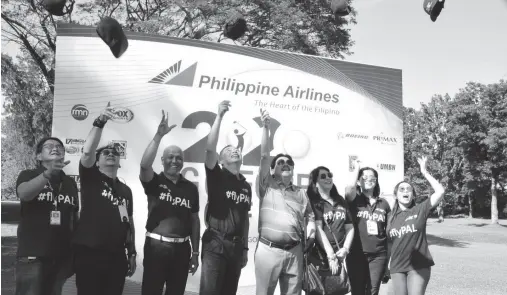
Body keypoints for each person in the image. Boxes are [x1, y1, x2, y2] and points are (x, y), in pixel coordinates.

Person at [72, 103, 136, 295]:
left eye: (115, 153)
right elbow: (87, 151)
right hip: (89, 254)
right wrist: (100, 122)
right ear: (97, 161)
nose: (110, 154)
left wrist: (131, 252)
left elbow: (129, 223)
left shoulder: (126, 190)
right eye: (105, 153)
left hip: (116, 256)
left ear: (119, 162)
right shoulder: (91, 177)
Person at [255, 108, 316, 295]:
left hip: (295, 253)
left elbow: (310, 216)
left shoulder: (301, 193)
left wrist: (312, 233)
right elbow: (265, 156)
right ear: (272, 171)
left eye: (288, 162)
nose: (285, 163)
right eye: (280, 162)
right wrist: (266, 128)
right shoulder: (267, 186)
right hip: (268, 251)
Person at [139, 111, 200, 295]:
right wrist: (159, 136)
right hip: (156, 247)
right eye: (170, 157)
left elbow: (194, 220)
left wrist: (195, 253)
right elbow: (144, 165)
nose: (175, 160)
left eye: (179, 157)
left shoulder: (190, 188)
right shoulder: (154, 181)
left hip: (182, 249)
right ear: (162, 160)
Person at [200, 100, 252, 295]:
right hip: (215, 243)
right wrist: (219, 116)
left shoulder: (246, 186)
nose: (234, 150)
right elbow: (210, 149)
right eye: (228, 151)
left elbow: (245, 219)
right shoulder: (217, 175)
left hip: (237, 247)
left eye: (236, 150)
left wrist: (246, 248)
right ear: (220, 161)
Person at [15, 137, 78, 295]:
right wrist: (47, 174)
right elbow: (24, 194)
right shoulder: (28, 174)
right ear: (38, 156)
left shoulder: (70, 183)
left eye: (59, 146)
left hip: (62, 258)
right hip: (33, 256)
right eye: (48, 146)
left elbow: (73, 217)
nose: (55, 148)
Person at [386, 156, 445, 295]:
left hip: (419, 266)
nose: (405, 191)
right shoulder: (390, 217)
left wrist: (424, 172)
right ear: (395, 195)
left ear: (412, 195)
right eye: (401, 189)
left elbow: (440, 191)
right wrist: (386, 266)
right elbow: (389, 244)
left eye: (409, 189)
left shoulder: (420, 210)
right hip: (397, 266)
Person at [306, 166, 355, 295]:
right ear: (315, 182)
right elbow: (317, 229)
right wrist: (330, 255)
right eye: (323, 176)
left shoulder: (340, 201)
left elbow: (350, 227)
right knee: (317, 292)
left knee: (337, 291)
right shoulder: (314, 202)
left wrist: (345, 249)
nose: (328, 178)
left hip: (338, 256)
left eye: (329, 175)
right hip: (319, 257)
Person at [344, 160, 390, 295]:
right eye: (364, 178)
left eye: (372, 178)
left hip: (378, 255)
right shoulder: (354, 200)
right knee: (357, 291)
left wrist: (388, 258)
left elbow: (388, 232)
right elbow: (349, 191)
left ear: (376, 181)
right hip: (356, 253)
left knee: (373, 291)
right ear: (358, 182)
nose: (368, 180)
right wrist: (357, 169)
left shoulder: (384, 203)